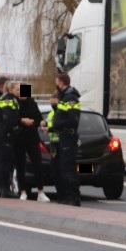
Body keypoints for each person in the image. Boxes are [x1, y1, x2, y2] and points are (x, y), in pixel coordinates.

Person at [51, 72, 82, 206]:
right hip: (64, 136)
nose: (56, 84)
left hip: (68, 137)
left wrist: (58, 125)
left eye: (57, 82)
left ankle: (74, 197)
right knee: (64, 168)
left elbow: (72, 119)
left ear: (62, 82)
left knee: (69, 169)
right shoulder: (64, 96)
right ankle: (67, 196)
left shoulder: (70, 97)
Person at [12, 82, 46, 201]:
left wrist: (34, 122)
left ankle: (40, 192)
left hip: (32, 137)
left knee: (38, 164)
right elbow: (11, 118)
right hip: (19, 138)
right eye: (20, 90)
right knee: (20, 165)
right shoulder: (14, 102)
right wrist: (22, 120)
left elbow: (39, 118)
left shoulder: (32, 103)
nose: (23, 94)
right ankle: (23, 191)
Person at [0, 80, 21, 198]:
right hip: (6, 135)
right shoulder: (8, 100)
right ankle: (4, 189)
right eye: (18, 89)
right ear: (11, 90)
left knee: (4, 162)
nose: (20, 92)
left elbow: (28, 100)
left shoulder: (10, 99)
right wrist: (15, 129)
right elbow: (8, 118)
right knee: (5, 163)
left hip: (3, 134)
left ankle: (0, 188)